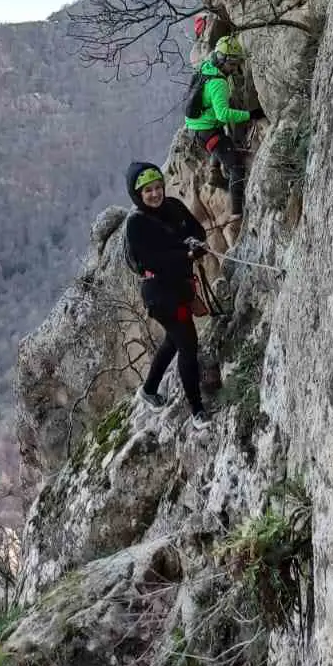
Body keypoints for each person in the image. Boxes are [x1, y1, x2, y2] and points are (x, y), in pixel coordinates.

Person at [125, 162, 213, 430]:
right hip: (161, 295)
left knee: (173, 340)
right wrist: (187, 253)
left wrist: (195, 242)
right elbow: (153, 260)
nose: (155, 194)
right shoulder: (136, 225)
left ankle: (149, 389)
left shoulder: (173, 206)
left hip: (181, 287)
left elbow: (196, 229)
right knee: (188, 344)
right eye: (148, 190)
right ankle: (197, 410)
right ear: (138, 195)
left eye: (158, 187)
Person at [183, 36, 265, 236]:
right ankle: (236, 215)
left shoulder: (206, 67)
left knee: (222, 139)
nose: (235, 68)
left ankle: (214, 170)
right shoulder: (218, 83)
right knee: (236, 166)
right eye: (232, 63)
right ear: (223, 60)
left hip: (195, 127)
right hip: (207, 131)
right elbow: (223, 114)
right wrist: (251, 115)